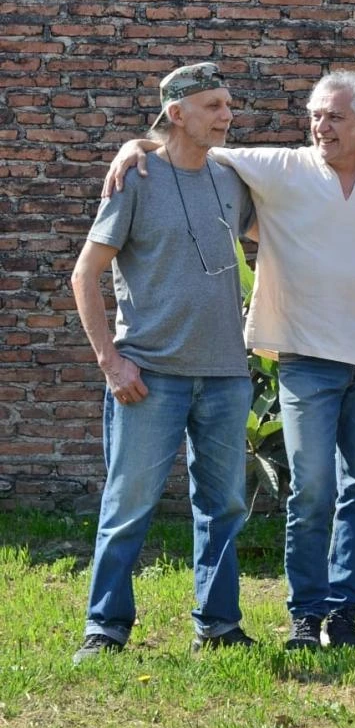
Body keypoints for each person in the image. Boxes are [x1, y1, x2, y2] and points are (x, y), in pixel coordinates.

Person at [103, 70, 355, 652]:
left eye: (334, 117)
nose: (320, 125)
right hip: (304, 357)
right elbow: (197, 144)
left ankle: (344, 616)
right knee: (312, 490)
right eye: (315, 114)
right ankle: (305, 616)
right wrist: (140, 145)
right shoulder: (281, 167)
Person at [71, 62, 256, 662]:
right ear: (177, 113)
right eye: (214, 106)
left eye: (229, 104)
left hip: (226, 373)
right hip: (148, 376)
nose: (227, 115)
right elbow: (85, 274)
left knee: (224, 503)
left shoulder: (232, 177)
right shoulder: (137, 179)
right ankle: (106, 627)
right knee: (130, 503)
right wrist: (110, 362)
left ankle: (219, 623)